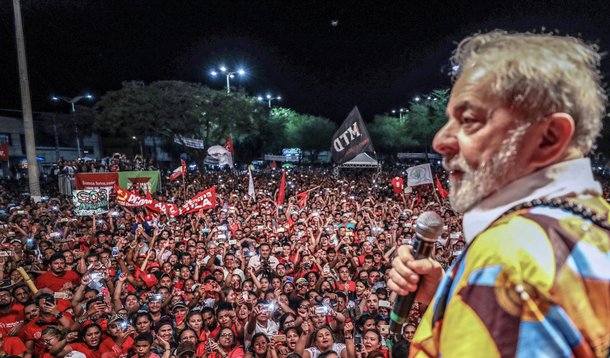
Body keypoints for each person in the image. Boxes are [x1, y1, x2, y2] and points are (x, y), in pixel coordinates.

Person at [388, 30, 610, 357]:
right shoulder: (591, 223)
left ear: (548, 137)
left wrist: (482, 288)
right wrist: (450, 299)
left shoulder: (507, 261)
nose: (440, 141)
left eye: (469, 120)